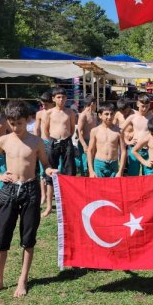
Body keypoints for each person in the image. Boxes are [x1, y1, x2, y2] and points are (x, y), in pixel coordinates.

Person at [0, 100, 57, 299]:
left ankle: (23, 279)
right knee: (3, 236)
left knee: (28, 238)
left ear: (28, 120)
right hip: (9, 191)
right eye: (12, 124)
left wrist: (49, 170)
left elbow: (45, 164)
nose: (16, 128)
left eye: (20, 123)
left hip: (31, 191)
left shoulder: (36, 141)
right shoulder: (4, 140)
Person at [41, 87, 76, 217]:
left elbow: (72, 129)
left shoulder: (70, 112)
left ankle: (69, 204)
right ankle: (49, 206)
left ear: (66, 98)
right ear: (54, 99)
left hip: (66, 142)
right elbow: (45, 129)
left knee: (69, 173)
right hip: (53, 142)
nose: (61, 100)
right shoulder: (49, 113)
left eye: (63, 97)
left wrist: (65, 139)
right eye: (58, 97)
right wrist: (53, 140)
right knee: (50, 173)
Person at [87, 102, 126, 178]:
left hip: (113, 164)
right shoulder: (95, 131)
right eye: (106, 114)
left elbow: (123, 151)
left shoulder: (119, 131)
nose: (109, 116)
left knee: (113, 188)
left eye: (111, 114)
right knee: (99, 188)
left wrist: (121, 170)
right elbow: (90, 150)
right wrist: (91, 171)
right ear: (100, 115)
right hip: (99, 164)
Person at [121, 93, 153, 176]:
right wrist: (127, 141)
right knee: (133, 175)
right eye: (143, 106)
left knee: (148, 174)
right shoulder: (132, 117)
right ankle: (133, 189)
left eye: (147, 106)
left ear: (149, 105)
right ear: (138, 104)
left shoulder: (152, 117)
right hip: (134, 148)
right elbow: (120, 130)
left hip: (148, 150)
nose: (144, 108)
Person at [34, 91, 55, 213]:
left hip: (55, 142)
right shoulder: (40, 113)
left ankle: (54, 195)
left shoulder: (56, 113)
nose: (44, 106)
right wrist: (36, 144)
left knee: (55, 170)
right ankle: (44, 195)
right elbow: (36, 129)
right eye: (42, 104)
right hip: (44, 142)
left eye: (46, 104)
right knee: (43, 172)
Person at [76, 95, 98, 176]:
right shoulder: (83, 115)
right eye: (96, 104)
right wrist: (84, 145)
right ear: (92, 103)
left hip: (93, 142)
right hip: (85, 141)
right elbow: (79, 131)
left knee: (92, 163)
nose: (96, 106)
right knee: (85, 166)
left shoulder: (94, 115)